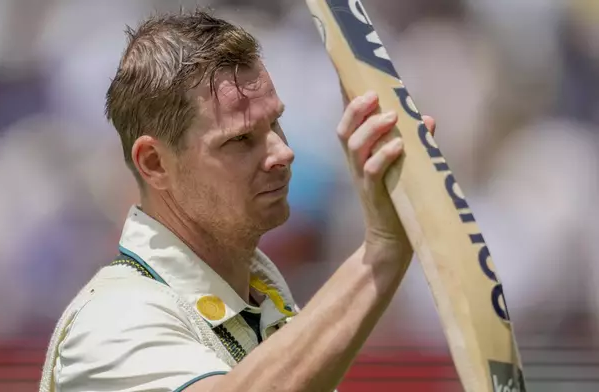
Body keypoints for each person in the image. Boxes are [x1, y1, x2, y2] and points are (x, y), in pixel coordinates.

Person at [39, 10, 436, 392]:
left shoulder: (264, 299)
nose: (282, 152)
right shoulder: (112, 320)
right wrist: (382, 250)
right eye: (240, 139)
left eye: (276, 122)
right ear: (155, 162)